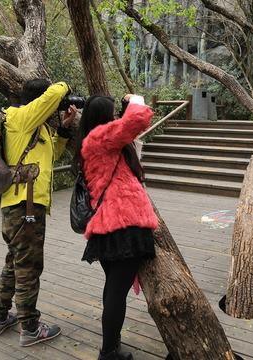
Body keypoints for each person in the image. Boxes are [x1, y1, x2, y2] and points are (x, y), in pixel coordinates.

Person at [0, 79, 77, 346]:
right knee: (28, 267)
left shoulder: (34, 126)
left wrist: (64, 127)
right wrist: (64, 86)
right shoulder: (18, 117)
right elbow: (53, 93)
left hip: (22, 205)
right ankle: (30, 328)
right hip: (24, 207)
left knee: (14, 263)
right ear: (40, 101)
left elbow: (52, 156)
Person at [77, 94, 157, 360]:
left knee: (112, 288)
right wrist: (136, 98)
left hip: (108, 224)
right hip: (124, 223)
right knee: (116, 293)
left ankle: (112, 345)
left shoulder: (95, 140)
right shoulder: (101, 137)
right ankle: (109, 352)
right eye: (112, 114)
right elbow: (138, 117)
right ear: (103, 117)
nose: (115, 118)